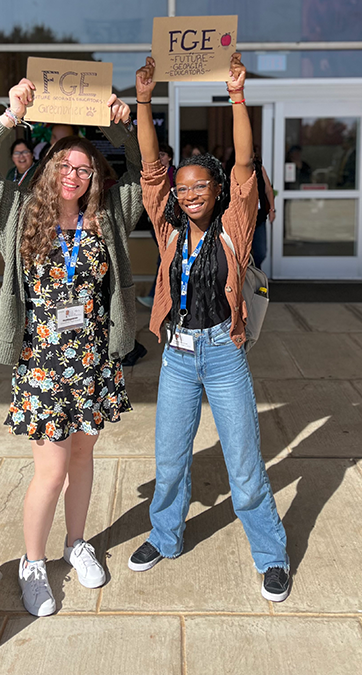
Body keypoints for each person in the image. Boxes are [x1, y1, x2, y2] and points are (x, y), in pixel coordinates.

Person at [0, 80, 143, 618]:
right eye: (65, 166)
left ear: (95, 176)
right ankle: (32, 564)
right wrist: (12, 115)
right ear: (47, 169)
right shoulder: (15, 214)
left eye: (85, 169)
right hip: (42, 365)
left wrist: (118, 124)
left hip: (94, 362)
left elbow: (148, 171)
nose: (75, 176)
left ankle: (76, 543)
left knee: (83, 459)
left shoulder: (107, 217)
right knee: (50, 473)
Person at [129, 53, 290, 602]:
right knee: (170, 460)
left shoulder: (234, 226)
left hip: (223, 355)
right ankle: (165, 535)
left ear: (217, 191)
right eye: (182, 188)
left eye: (199, 185)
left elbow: (244, 162)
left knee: (244, 468)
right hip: (176, 358)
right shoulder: (169, 228)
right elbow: (151, 167)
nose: (189, 192)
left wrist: (237, 96)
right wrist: (144, 101)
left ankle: (271, 556)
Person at [137, 143, 176, 310]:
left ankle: (156, 296)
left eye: (162, 155)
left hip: (171, 222)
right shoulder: (155, 175)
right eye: (157, 155)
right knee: (164, 257)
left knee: (165, 257)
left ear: (169, 157)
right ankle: (159, 296)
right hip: (156, 221)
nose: (159, 158)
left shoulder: (174, 174)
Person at [251, 155, 276, 269]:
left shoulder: (259, 168)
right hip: (241, 218)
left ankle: (256, 277)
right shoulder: (234, 169)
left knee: (261, 253)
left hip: (258, 217)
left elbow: (268, 189)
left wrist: (272, 209)